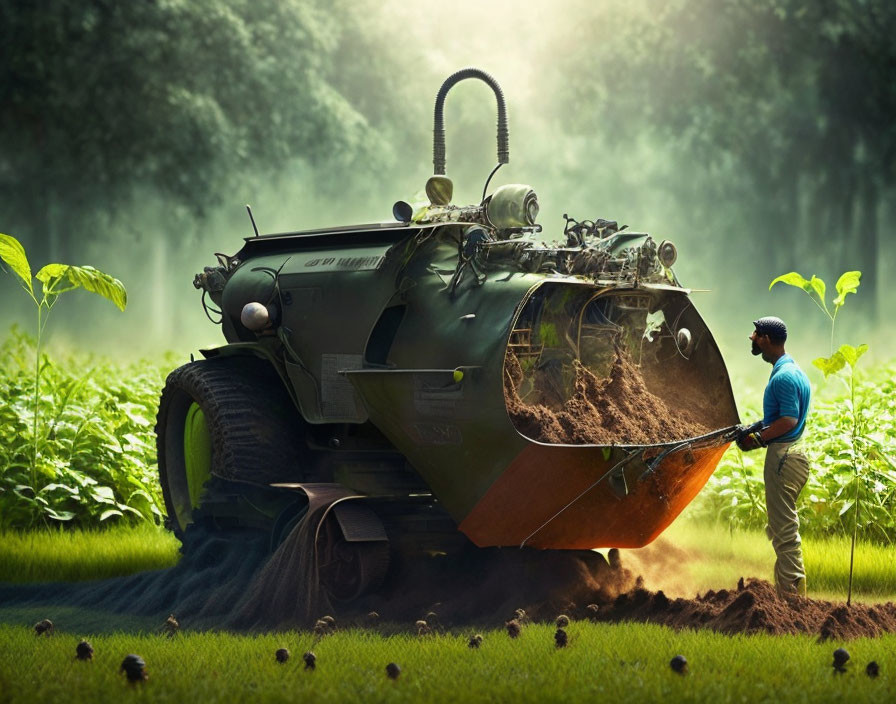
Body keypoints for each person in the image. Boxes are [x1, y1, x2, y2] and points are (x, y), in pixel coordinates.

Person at [737, 316, 811, 597]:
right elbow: (779, 416)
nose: (752, 337)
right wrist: (755, 427)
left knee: (783, 529)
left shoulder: (783, 377)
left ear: (766, 338)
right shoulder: (791, 369)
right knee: (781, 525)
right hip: (793, 452)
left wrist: (757, 439)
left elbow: (789, 420)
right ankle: (790, 591)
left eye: (756, 333)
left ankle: (792, 596)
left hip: (783, 456)